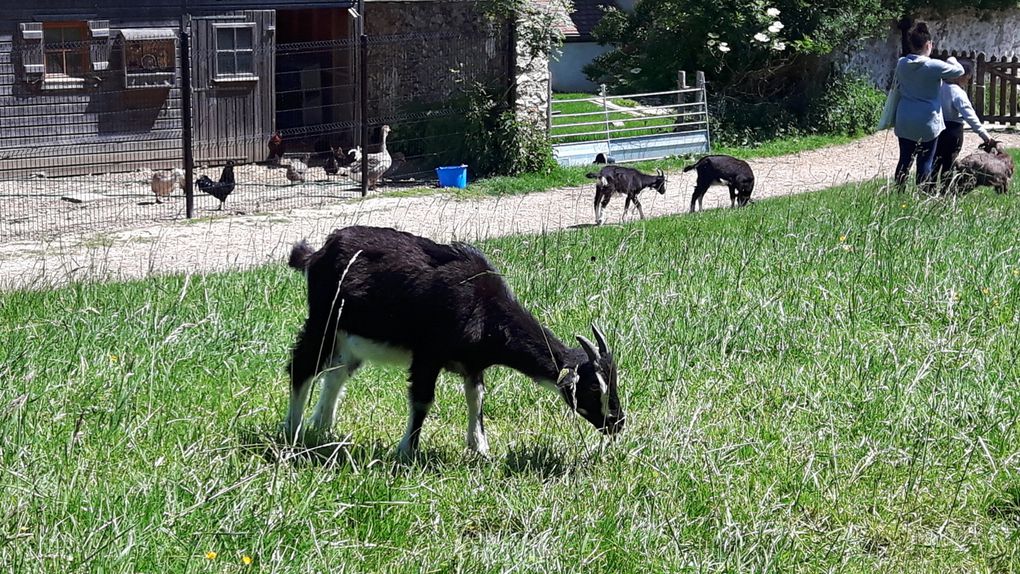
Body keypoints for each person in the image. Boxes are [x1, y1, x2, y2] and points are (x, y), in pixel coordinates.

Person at [877, 21, 965, 189]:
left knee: (904, 159)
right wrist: (952, 59)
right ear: (928, 44)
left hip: (905, 118)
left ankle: (899, 191)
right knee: (925, 161)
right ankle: (922, 194)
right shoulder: (934, 66)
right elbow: (959, 71)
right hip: (927, 121)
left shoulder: (902, 63)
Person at [932, 58, 993, 178]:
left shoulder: (937, 87)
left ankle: (930, 188)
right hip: (953, 131)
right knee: (949, 163)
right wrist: (985, 136)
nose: (967, 82)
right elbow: (970, 116)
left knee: (935, 161)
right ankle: (946, 190)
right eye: (967, 78)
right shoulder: (957, 92)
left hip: (936, 128)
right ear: (959, 75)